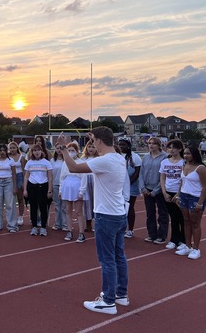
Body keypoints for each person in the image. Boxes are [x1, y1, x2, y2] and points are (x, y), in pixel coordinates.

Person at [58, 127, 128, 315]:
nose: (92, 145)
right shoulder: (119, 158)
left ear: (98, 142)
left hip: (106, 215)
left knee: (107, 259)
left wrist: (64, 148)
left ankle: (108, 301)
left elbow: (73, 168)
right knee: (118, 256)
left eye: (94, 141)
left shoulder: (103, 161)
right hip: (119, 213)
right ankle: (120, 294)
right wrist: (95, 136)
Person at [174, 146, 206, 260]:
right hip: (184, 196)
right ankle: (188, 246)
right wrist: (178, 195)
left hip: (195, 198)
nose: (186, 155)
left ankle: (196, 249)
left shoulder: (200, 168)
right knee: (186, 222)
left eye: (188, 153)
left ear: (194, 154)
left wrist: (200, 203)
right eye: (185, 154)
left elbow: (204, 186)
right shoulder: (184, 165)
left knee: (195, 223)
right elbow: (181, 183)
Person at [140, 137, 168, 244]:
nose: (151, 145)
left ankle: (162, 235)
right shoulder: (146, 157)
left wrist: (155, 191)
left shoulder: (164, 157)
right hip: (147, 189)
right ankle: (152, 234)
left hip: (159, 190)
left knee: (162, 213)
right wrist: (142, 188)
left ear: (159, 145)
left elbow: (164, 176)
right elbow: (141, 173)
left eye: (154, 143)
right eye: (149, 143)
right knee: (150, 213)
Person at [159, 139, 185, 250]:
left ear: (180, 149)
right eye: (169, 147)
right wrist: (164, 192)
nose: (171, 150)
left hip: (180, 192)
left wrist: (178, 194)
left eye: (174, 147)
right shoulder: (164, 162)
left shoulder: (183, 162)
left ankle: (183, 240)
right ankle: (174, 239)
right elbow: (162, 177)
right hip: (168, 192)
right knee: (173, 217)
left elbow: (184, 179)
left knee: (182, 218)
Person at [23, 144, 53, 236]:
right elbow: (26, 177)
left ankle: (43, 227)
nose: (37, 152)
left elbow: (50, 177)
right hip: (32, 186)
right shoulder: (29, 163)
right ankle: (34, 227)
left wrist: (50, 190)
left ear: (41, 151)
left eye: (38, 150)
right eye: (35, 150)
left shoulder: (46, 162)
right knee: (33, 207)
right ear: (32, 152)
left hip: (43, 186)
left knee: (43, 207)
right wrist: (25, 189)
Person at [60, 143, 86, 242]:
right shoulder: (65, 163)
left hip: (77, 185)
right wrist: (61, 190)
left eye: (73, 150)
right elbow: (62, 177)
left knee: (79, 211)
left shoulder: (81, 162)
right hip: (67, 186)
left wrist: (81, 192)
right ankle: (69, 231)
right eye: (69, 150)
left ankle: (81, 233)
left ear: (77, 151)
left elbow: (84, 178)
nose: (71, 153)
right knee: (68, 210)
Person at [0, 144, 18, 232]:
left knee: (10, 205)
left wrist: (14, 187)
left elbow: (14, 174)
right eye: (0, 150)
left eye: (3, 150)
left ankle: (12, 226)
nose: (2, 152)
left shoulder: (11, 161)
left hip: (9, 182)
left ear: (6, 151)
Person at [118, 139, 141, 239]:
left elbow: (137, 173)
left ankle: (130, 229)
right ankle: (120, 228)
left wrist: (128, 183)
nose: (121, 147)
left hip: (131, 186)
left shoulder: (135, 157)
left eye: (123, 145)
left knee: (129, 207)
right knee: (119, 208)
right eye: (119, 145)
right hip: (118, 185)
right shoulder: (117, 156)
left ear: (128, 146)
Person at [8, 141, 26, 226]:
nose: (12, 149)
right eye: (10, 148)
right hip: (10, 177)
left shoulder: (21, 157)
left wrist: (23, 182)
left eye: (14, 148)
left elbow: (24, 170)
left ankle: (21, 216)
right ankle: (12, 216)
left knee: (20, 198)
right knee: (11, 199)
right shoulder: (7, 157)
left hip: (19, 177)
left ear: (17, 148)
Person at [50, 146, 67, 231]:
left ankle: (64, 224)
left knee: (64, 206)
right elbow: (50, 174)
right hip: (55, 184)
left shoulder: (66, 160)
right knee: (57, 205)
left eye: (60, 148)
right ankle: (57, 224)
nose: (59, 150)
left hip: (64, 185)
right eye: (57, 148)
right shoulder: (52, 161)